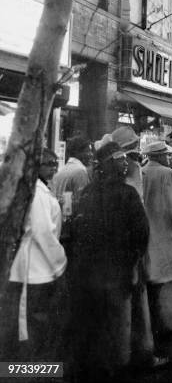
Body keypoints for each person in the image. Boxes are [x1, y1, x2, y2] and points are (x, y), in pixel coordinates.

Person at [73, 141, 149, 381]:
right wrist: (135, 261)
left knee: (98, 322)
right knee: (120, 324)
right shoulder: (128, 194)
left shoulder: (88, 193)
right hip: (120, 271)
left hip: (92, 273)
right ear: (109, 164)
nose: (125, 162)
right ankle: (118, 368)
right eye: (119, 159)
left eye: (124, 158)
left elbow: (79, 232)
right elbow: (141, 233)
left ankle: (101, 367)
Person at [111, 126, 168, 370]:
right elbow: (139, 212)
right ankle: (143, 355)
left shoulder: (112, 174)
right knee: (138, 304)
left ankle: (123, 356)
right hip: (133, 248)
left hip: (117, 251)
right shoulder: (132, 170)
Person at [1, 148, 67, 361]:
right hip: (35, 270)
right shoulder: (36, 193)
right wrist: (60, 263)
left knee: (34, 330)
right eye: (49, 164)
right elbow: (43, 232)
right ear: (36, 166)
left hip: (37, 269)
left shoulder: (38, 189)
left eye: (55, 163)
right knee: (32, 332)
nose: (54, 168)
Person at [141, 141, 172, 337]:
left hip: (150, 234)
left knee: (153, 281)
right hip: (167, 233)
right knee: (169, 282)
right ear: (160, 156)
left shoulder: (142, 172)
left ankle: (153, 325)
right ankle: (170, 326)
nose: (170, 157)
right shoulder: (169, 174)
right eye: (168, 155)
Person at [51, 135, 94, 215]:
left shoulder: (62, 170)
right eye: (88, 151)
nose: (91, 154)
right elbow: (81, 204)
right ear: (78, 152)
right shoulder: (80, 171)